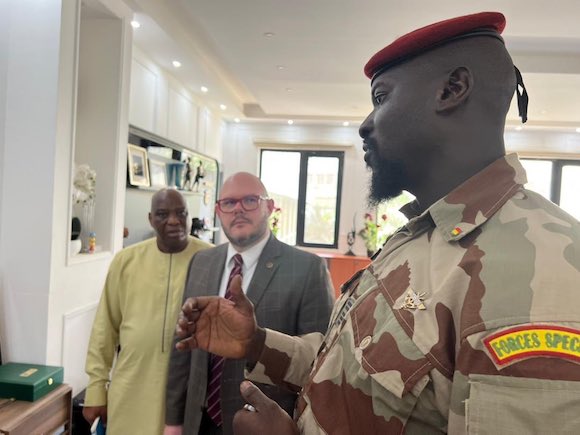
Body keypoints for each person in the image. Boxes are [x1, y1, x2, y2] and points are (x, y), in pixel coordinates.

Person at [174, 12, 580, 435]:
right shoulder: (419, 238)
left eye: (381, 98)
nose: (365, 124)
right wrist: (256, 343)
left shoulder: (537, 272)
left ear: (452, 89)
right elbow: (352, 367)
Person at [164, 172, 334, 435]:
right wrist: (173, 421)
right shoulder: (201, 262)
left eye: (250, 200)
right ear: (219, 211)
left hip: (262, 425)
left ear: (269, 207)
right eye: (229, 203)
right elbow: (182, 347)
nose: (239, 209)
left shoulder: (308, 269)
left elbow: (321, 364)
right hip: (197, 422)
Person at [83, 189, 212, 435]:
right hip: (132, 387)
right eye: (163, 214)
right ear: (151, 219)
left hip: (190, 393)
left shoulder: (211, 258)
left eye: (180, 213)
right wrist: (96, 388)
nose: (173, 220)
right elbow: (104, 329)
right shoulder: (125, 261)